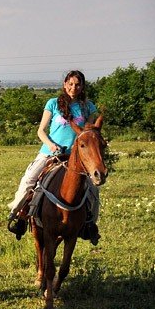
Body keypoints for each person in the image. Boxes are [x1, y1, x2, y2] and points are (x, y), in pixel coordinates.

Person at [7, 70, 101, 243]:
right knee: (28, 181)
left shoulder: (88, 107)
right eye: (71, 84)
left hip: (76, 158)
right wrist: (51, 145)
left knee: (94, 190)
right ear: (65, 85)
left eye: (78, 84)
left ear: (83, 86)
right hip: (50, 153)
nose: (74, 88)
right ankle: (17, 216)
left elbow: (90, 132)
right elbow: (41, 131)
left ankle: (89, 225)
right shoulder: (52, 103)